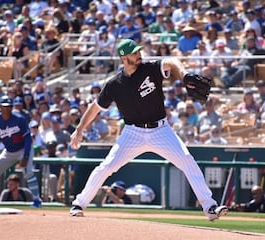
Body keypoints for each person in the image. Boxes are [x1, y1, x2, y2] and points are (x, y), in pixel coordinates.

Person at [69, 39, 228, 221]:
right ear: (124, 58)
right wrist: (80, 129)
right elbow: (95, 107)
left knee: (186, 160)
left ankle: (210, 207)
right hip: (132, 133)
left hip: (161, 130)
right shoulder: (114, 84)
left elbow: (170, 61)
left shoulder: (149, 69)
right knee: (107, 166)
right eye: (134, 52)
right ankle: (79, 203)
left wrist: (183, 75)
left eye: (138, 51)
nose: (139, 54)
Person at [0, 96, 42, 208]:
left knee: (28, 173)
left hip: (23, 149)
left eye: (9, 107)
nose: (7, 109)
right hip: (8, 151)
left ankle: (37, 200)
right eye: (4, 106)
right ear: (0, 107)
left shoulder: (19, 119)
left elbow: (28, 139)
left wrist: (26, 156)